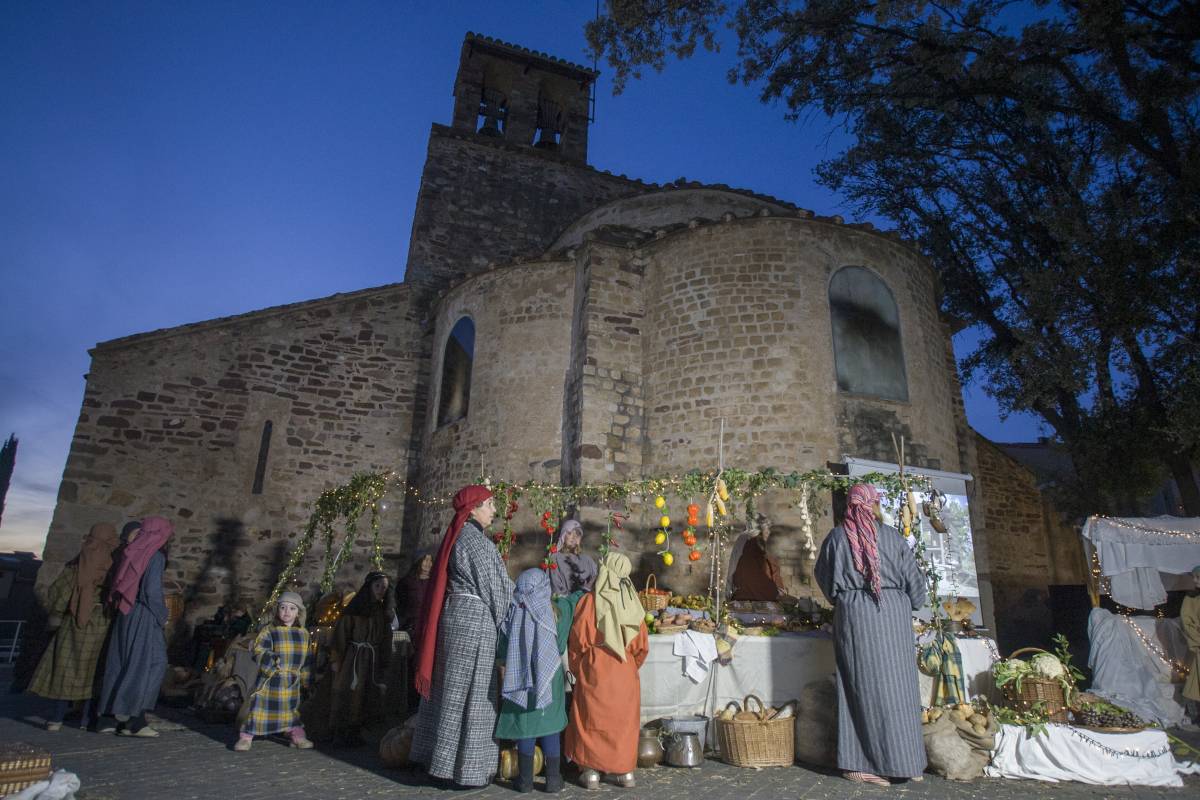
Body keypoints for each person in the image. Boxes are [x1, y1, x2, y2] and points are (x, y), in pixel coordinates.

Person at [815, 484, 927, 785]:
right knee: (900, 690)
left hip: (856, 617)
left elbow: (826, 582)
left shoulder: (837, 538)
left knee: (859, 688)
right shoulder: (893, 537)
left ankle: (859, 764)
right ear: (876, 506)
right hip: (894, 617)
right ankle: (908, 763)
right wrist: (905, 600)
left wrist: (845, 596)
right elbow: (917, 589)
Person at [411, 485, 514, 787]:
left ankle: (439, 761)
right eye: (490, 504)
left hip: (456, 618)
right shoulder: (477, 543)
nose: (494, 510)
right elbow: (496, 588)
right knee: (473, 695)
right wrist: (517, 608)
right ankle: (464, 771)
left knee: (450, 693)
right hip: (474, 623)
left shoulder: (458, 536)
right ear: (473, 508)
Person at [563, 552, 649, 789]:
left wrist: (578, 668)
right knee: (622, 723)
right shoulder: (633, 604)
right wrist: (629, 667)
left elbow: (578, 641)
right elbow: (642, 646)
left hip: (595, 666)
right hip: (625, 669)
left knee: (591, 720)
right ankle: (625, 773)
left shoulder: (589, 602)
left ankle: (590, 772)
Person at [28, 523, 120, 730]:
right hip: (100, 622)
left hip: (75, 620)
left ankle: (56, 718)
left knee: (65, 669)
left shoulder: (78, 563)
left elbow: (59, 593)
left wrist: (60, 612)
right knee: (91, 672)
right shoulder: (113, 564)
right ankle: (86, 718)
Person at [496, 568, 579, 793]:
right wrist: (580, 592)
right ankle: (553, 779)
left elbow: (501, 647)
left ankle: (524, 780)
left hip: (520, 677)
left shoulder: (512, 612)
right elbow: (561, 643)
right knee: (549, 724)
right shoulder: (557, 613)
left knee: (526, 726)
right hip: (549, 677)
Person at [98, 515, 174, 737]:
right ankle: (135, 718)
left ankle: (107, 718)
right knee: (150, 663)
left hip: (125, 611)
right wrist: (162, 615)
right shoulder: (155, 555)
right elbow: (150, 591)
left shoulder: (132, 551)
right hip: (143, 614)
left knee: (121, 662)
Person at [235, 591, 313, 751]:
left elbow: (307, 658)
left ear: (299, 612)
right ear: (277, 610)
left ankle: (297, 735)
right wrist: (271, 664)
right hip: (271, 679)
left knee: (290, 710)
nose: (287, 612)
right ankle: (246, 736)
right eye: (283, 607)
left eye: (292, 608)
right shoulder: (269, 630)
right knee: (259, 709)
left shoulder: (304, 634)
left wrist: (305, 678)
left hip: (291, 680)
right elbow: (259, 650)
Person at [328, 571, 395, 745]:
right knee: (347, 693)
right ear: (369, 587)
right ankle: (339, 732)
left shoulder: (383, 613)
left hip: (372, 660)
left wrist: (385, 663)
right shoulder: (354, 609)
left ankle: (355, 731)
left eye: (384, 588)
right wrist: (336, 659)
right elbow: (341, 634)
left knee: (366, 695)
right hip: (354, 659)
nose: (381, 590)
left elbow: (386, 639)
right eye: (378, 586)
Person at [728, 513, 789, 601]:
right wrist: (778, 592)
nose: (768, 534)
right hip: (752, 595)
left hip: (742, 592)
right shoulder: (753, 541)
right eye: (767, 531)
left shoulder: (744, 538)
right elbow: (756, 575)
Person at [549, 520, 598, 596]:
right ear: (563, 535)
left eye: (578, 534)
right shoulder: (555, 558)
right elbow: (555, 589)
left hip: (587, 603)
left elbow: (597, 579)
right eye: (570, 533)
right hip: (564, 604)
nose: (574, 537)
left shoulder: (587, 559)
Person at [1180, 565, 1200, 731]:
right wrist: (1197, 640)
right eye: (1194, 577)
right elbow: (1187, 623)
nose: (1194, 581)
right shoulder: (1192, 599)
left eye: (1198, 577)